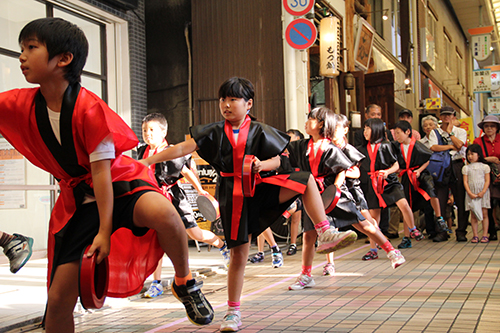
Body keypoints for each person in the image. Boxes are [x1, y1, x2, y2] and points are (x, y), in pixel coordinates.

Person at [0, 18, 213, 331]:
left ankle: (184, 281)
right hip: (77, 201)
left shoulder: (90, 109)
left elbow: (101, 175)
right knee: (58, 303)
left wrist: (104, 231)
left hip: (118, 181)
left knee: (165, 214)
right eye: (21, 49)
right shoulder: (20, 103)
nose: (21, 56)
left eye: (31, 48)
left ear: (63, 59)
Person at [140, 77, 357, 332]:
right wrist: (146, 162)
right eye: (223, 99)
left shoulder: (260, 130)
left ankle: (325, 230)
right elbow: (181, 149)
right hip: (232, 194)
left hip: (260, 188)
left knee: (305, 179)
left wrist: (262, 165)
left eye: (233, 99)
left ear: (248, 104)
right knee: (239, 256)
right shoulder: (213, 131)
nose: (226, 105)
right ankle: (233, 312)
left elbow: (280, 160)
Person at [286, 108, 403, 291]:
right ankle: (306, 275)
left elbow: (345, 170)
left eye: (310, 119)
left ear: (323, 125)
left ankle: (392, 251)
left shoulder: (337, 148)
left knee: (363, 224)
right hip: (314, 196)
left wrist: (336, 190)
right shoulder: (302, 146)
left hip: (335, 194)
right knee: (309, 236)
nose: (306, 122)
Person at [137, 113, 230, 298]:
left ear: (164, 132)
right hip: (153, 199)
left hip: (174, 197)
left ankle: (221, 244)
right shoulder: (142, 152)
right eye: (145, 130)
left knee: (195, 233)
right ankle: (156, 283)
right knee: (156, 240)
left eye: (152, 130)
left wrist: (200, 190)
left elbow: (186, 172)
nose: (148, 134)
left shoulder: (170, 151)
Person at [332, 114, 405, 267]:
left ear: (345, 130)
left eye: (335, 127)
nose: (331, 130)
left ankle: (390, 250)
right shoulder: (328, 148)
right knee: (320, 230)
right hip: (334, 193)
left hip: (351, 193)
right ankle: (327, 264)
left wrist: (341, 174)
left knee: (368, 224)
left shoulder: (350, 150)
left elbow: (356, 172)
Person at [357, 118, 424, 250]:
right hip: (372, 183)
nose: (365, 132)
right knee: (373, 217)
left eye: (368, 128)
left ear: (376, 130)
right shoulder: (361, 149)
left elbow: (396, 165)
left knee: (403, 203)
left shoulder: (386, 145)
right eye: (364, 129)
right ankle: (373, 249)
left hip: (389, 181)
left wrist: (387, 172)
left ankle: (413, 228)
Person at [392, 121, 448, 242]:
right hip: (407, 176)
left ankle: (439, 218)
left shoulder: (417, 144)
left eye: (398, 133)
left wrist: (419, 171)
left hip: (421, 174)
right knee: (407, 205)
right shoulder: (396, 146)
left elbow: (427, 159)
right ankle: (406, 237)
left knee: (431, 193)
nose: (396, 136)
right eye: (395, 134)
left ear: (407, 132)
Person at [428, 106, 469, 242]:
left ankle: (461, 231)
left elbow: (461, 145)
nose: (446, 117)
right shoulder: (435, 132)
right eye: (444, 115)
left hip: (457, 165)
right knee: (440, 199)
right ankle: (442, 231)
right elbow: (434, 147)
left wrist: (451, 134)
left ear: (454, 116)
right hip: (441, 166)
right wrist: (451, 146)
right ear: (440, 117)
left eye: (449, 115)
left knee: (460, 198)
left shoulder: (461, 131)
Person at [353, 104, 393, 239]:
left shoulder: (386, 135)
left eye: (379, 114)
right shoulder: (359, 134)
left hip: (382, 176)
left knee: (384, 203)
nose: (376, 117)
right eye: (373, 114)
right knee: (369, 205)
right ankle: (371, 233)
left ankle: (384, 231)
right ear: (366, 116)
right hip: (366, 175)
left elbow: (392, 159)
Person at [473, 115, 500, 241]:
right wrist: (488, 159)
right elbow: (473, 157)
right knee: (489, 203)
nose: (489, 128)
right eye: (487, 126)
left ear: (497, 128)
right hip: (484, 175)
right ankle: (492, 230)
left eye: (492, 126)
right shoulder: (478, 141)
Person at [462, 144, 491, 243]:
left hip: (483, 192)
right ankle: (475, 235)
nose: (470, 156)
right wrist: (469, 192)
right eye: (468, 154)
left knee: (484, 213)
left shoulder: (485, 167)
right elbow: (465, 182)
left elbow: (487, 180)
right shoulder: (466, 168)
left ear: (479, 154)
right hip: (471, 192)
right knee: (473, 214)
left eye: (472, 154)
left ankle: (485, 234)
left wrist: (483, 191)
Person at [285, 129, 304, 256]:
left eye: (290, 138)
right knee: (294, 214)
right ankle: (293, 243)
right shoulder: (284, 152)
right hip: (289, 183)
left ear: (298, 139)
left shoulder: (303, 152)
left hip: (303, 183)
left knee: (303, 214)